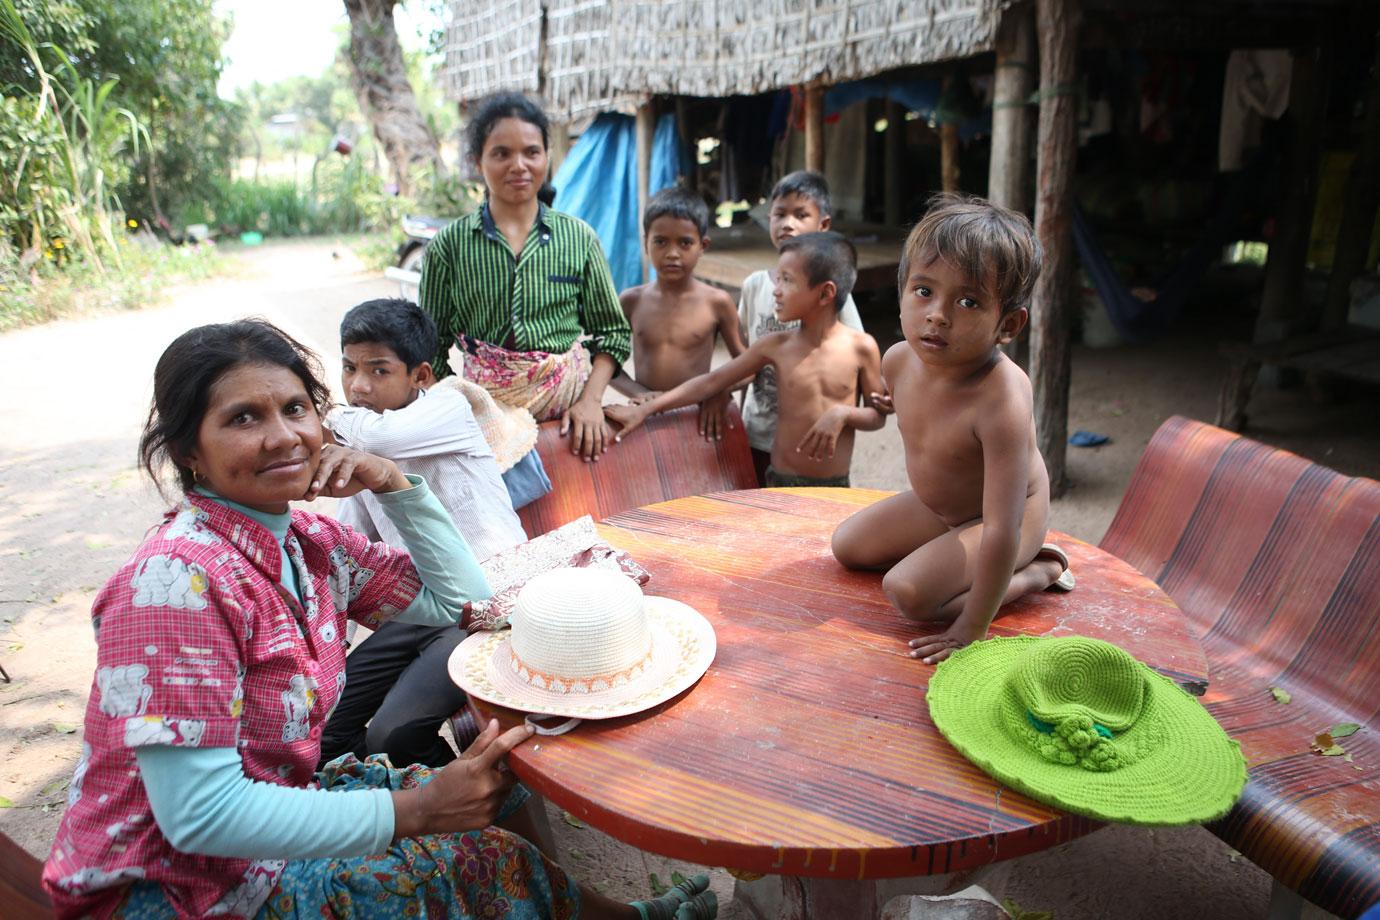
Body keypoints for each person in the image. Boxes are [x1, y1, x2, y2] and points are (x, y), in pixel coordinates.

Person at [40, 320, 717, 920]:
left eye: (295, 408)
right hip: (179, 886)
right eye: (243, 418)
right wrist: (413, 814)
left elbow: (464, 597)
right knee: (467, 853)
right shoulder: (174, 584)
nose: (283, 437)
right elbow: (198, 817)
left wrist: (396, 484)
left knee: (490, 790)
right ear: (191, 449)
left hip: (267, 814)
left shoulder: (308, 545)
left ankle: (597, 914)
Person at [830, 194, 1074, 667]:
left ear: (1008, 324)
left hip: (1005, 522)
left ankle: (1038, 570)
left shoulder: (1002, 396)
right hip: (939, 507)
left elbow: (1002, 526)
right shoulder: (899, 359)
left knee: (909, 594)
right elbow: (931, 426)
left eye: (967, 301)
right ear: (902, 291)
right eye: (924, 291)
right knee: (848, 547)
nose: (938, 314)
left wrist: (971, 628)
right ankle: (956, 557)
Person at [318, 298, 526, 770]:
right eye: (348, 368)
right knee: (326, 724)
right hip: (422, 608)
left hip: (489, 602)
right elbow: (346, 554)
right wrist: (329, 649)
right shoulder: (358, 442)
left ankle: (478, 798)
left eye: (378, 371)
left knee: (394, 735)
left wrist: (317, 418)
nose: (358, 386)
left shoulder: (448, 406)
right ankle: (387, 812)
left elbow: (380, 441)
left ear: (421, 376)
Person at [419, 91, 631, 463]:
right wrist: (465, 413)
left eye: (531, 152)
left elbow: (614, 334)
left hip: (569, 423)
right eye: (501, 153)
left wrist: (591, 402)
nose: (519, 165)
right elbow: (429, 348)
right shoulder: (448, 248)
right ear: (476, 161)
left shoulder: (578, 238)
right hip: (486, 426)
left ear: (547, 157)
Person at [606, 232, 883, 487]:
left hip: (834, 485)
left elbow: (877, 416)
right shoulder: (776, 346)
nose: (775, 289)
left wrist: (843, 413)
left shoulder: (862, 348)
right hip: (781, 481)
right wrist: (646, 409)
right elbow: (712, 381)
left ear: (825, 293)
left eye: (787, 279)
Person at [738, 170, 868, 483]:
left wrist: (845, 416)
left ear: (822, 224)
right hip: (757, 429)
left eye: (800, 215)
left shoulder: (831, 292)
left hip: (812, 435)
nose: (787, 224)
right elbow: (742, 356)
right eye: (779, 214)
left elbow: (854, 359)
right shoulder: (755, 286)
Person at [614, 187, 748, 440]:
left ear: (702, 245)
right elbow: (607, 363)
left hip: (697, 417)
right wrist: (637, 393)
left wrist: (718, 390)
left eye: (685, 243)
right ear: (646, 244)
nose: (672, 253)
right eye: (661, 241)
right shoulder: (632, 300)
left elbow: (749, 365)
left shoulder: (717, 302)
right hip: (644, 417)